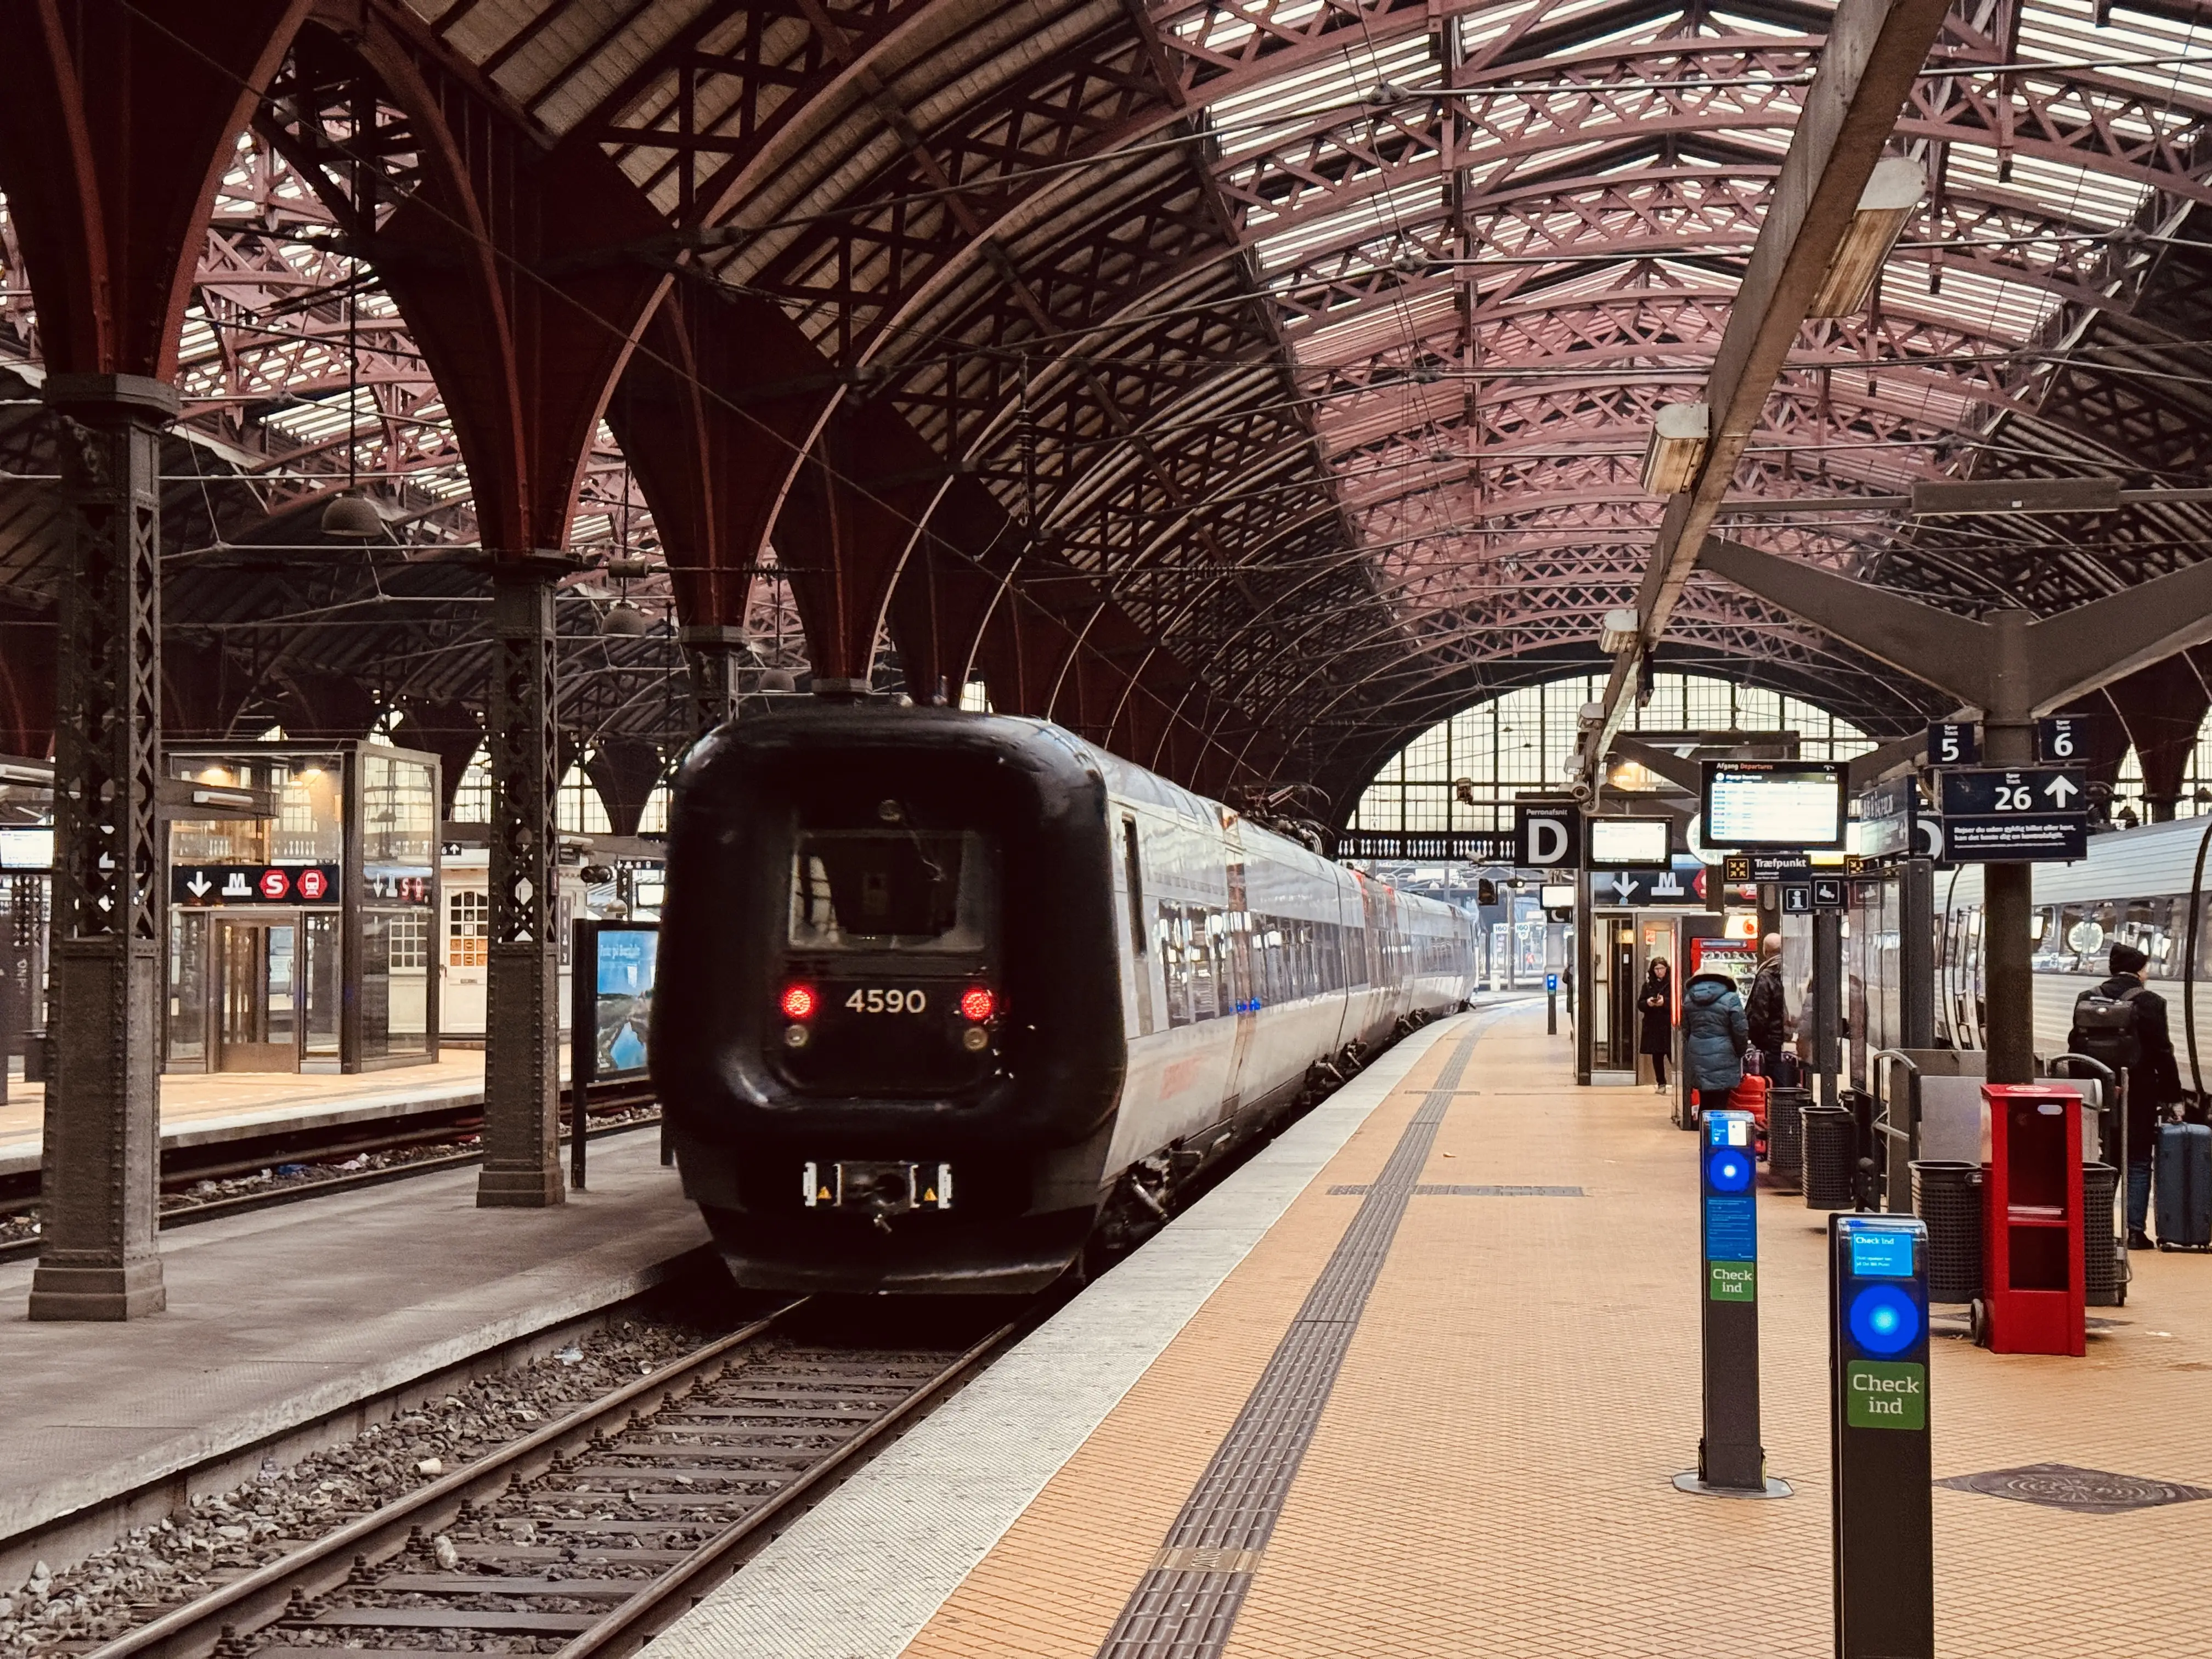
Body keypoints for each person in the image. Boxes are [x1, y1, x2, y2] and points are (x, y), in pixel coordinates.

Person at [2069, 941, 2181, 1249]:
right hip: (2139, 1092)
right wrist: (2173, 1097)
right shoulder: (2151, 1002)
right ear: (2140, 970)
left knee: (2104, 1161)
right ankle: (2134, 1232)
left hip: (2098, 1092)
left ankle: (2096, 1228)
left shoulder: (2087, 998)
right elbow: (2162, 1052)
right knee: (2139, 1159)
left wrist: (2085, 1087)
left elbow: (2075, 1047)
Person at [1680, 968, 1750, 1116]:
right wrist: (1740, 1051)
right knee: (1721, 1102)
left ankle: (1704, 1135)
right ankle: (1718, 1135)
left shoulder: (1689, 1000)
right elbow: (1740, 1030)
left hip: (1697, 1053)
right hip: (1725, 1054)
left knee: (1705, 1100)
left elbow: (1686, 1030)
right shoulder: (1731, 998)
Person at [1745, 932, 1789, 1080]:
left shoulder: (1766, 976)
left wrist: (1755, 1039)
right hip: (1789, 1040)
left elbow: (1759, 1014)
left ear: (1766, 952)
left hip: (1770, 1044)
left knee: (1771, 1082)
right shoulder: (1791, 973)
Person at [1637, 958, 1674, 1093]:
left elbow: (1677, 1003)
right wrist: (1648, 1003)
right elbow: (1640, 1004)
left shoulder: (1673, 983)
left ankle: (1676, 1081)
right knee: (1657, 1056)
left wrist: (1665, 1002)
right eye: (1657, 969)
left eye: (1662, 968)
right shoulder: (1648, 986)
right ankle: (1661, 1083)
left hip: (1668, 1024)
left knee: (1672, 1054)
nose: (1659, 972)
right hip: (1653, 1025)